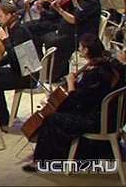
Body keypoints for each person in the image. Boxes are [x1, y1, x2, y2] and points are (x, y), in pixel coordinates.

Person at [22, 33, 122, 172]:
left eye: (81, 47)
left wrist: (70, 84)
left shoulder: (94, 74)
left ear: (86, 50)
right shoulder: (106, 66)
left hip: (94, 120)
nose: (79, 49)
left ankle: (42, 160)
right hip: (108, 117)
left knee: (52, 119)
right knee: (60, 111)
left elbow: (78, 102)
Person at [0, 2, 40, 126]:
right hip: (20, 70)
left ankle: (1, 118)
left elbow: (16, 57)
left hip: (27, 75)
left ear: (9, 16)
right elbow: (12, 56)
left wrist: (5, 40)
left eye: (0, 16)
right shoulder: (14, 29)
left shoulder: (20, 31)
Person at [43, 0, 101, 80]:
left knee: (54, 42)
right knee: (47, 37)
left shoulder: (90, 1)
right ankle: (51, 71)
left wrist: (59, 10)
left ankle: (54, 75)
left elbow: (74, 19)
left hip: (82, 34)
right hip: (71, 31)